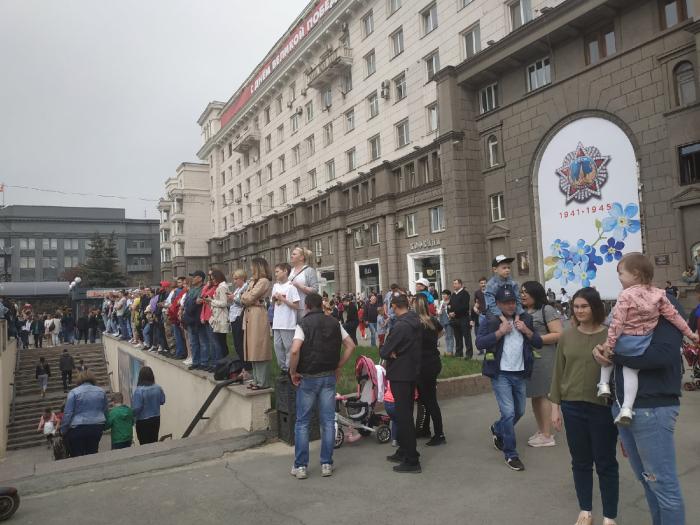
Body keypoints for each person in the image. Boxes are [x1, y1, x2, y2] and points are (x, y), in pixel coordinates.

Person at [593, 294, 687, 525]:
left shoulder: (663, 302)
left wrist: (616, 355)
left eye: (623, 273)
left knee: (663, 485)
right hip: (624, 406)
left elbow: (662, 355)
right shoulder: (625, 303)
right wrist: (602, 354)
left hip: (651, 406)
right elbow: (614, 341)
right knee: (648, 482)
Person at [597, 253, 698, 425]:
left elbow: (618, 323)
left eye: (621, 273)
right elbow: (674, 317)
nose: (619, 278)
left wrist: (610, 344)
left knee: (607, 358)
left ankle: (603, 384)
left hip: (625, 340)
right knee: (631, 372)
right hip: (642, 342)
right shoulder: (659, 295)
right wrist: (691, 334)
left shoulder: (625, 295)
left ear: (635, 274)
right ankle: (627, 408)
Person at [550, 287, 619, 525]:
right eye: (576, 306)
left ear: (595, 307)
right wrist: (555, 407)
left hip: (602, 407)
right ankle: (585, 510)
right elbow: (558, 372)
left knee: (605, 462)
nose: (579, 311)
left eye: (584, 306)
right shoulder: (567, 336)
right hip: (572, 408)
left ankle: (610, 515)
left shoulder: (610, 335)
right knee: (580, 461)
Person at [288, 292, 355, 479]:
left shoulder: (303, 324)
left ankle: (300, 466)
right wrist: (339, 365)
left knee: (302, 422)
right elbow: (350, 345)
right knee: (327, 421)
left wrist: (293, 372)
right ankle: (326, 463)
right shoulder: (335, 322)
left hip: (308, 377)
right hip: (328, 376)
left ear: (307, 306)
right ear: (322, 305)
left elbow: (294, 351)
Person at [476, 286, 542, 471]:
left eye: (513, 302)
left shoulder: (526, 319)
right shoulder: (490, 320)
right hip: (501, 374)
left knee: (519, 411)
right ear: (498, 304)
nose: (511, 305)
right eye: (506, 302)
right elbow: (479, 343)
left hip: (520, 373)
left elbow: (538, 343)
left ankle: (497, 429)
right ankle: (511, 454)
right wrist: (500, 332)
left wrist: (527, 331)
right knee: (509, 413)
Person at [380, 294, 423, 473]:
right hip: (412, 370)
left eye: (392, 307)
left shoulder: (400, 326)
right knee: (405, 413)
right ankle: (404, 449)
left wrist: (389, 352)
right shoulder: (416, 321)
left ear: (396, 306)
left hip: (400, 373)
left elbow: (384, 350)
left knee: (403, 416)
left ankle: (412, 460)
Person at [521, 281, 563, 448]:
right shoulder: (523, 311)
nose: (522, 294)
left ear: (535, 293)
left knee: (544, 395)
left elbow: (559, 334)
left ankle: (547, 435)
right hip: (529, 358)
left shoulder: (547, 310)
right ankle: (542, 430)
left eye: (526, 292)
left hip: (545, 357)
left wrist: (536, 339)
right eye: (521, 291)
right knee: (535, 396)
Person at [414, 294, 445, 446]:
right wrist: (432, 341)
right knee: (425, 399)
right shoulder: (432, 321)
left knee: (429, 400)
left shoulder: (416, 323)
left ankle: (439, 434)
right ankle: (424, 428)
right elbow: (441, 332)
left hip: (423, 365)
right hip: (433, 362)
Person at [241, 257, 273, 390]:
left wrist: (247, 298)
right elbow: (243, 297)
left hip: (258, 316)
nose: (250, 268)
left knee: (259, 347)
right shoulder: (253, 281)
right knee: (252, 348)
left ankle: (263, 381)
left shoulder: (264, 281)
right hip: (250, 314)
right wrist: (246, 297)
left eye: (252, 266)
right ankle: (256, 378)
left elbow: (249, 297)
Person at [61, 371, 108, 457]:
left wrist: (63, 429)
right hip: (97, 426)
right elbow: (105, 410)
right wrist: (105, 425)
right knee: (93, 451)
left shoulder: (73, 392)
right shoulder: (101, 391)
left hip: (78, 427)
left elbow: (68, 413)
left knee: (77, 454)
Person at [271, 262, 300, 372]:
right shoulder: (275, 286)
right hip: (277, 322)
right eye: (275, 272)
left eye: (277, 272)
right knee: (277, 346)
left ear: (285, 271)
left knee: (288, 347)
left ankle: (289, 369)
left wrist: (283, 300)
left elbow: (296, 306)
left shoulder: (291, 287)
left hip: (288, 323)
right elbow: (273, 304)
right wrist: (274, 299)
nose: (276, 274)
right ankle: (283, 368)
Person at [183, 270, 210, 371]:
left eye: (194, 276)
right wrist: (193, 303)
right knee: (193, 342)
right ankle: (196, 361)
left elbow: (198, 302)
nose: (192, 278)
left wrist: (193, 303)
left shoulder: (203, 289)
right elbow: (186, 304)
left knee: (203, 342)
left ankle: (204, 362)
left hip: (199, 319)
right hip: (190, 320)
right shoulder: (191, 290)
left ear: (200, 278)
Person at [132, 367, 165, 445]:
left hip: (143, 421)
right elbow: (162, 401)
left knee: (144, 443)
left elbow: (137, 408)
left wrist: (131, 414)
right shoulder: (158, 388)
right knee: (154, 441)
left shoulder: (139, 390)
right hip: (156, 419)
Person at [228, 269, 251, 376]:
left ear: (242, 278)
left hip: (239, 317)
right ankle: (243, 367)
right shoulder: (238, 289)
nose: (234, 281)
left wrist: (233, 298)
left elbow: (243, 302)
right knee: (237, 345)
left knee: (241, 344)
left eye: (236, 279)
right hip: (234, 317)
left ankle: (246, 369)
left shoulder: (246, 287)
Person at [206, 269, 232, 364]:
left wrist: (211, 301)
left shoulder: (222, 287)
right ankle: (223, 363)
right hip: (218, 316)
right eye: (212, 279)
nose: (213, 281)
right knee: (220, 342)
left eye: (214, 278)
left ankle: (222, 364)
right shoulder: (221, 286)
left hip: (220, 318)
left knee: (220, 343)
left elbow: (224, 303)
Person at [289, 246, 319, 322]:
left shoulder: (309, 271)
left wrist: (299, 286)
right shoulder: (290, 271)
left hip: (304, 309)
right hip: (291, 309)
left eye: (294, 254)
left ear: (301, 257)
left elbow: (315, 290)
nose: (291, 256)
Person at [448, 278, 472, 358]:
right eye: (453, 283)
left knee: (467, 336)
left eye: (455, 283)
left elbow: (465, 306)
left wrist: (455, 312)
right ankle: (459, 352)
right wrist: (450, 312)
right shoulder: (453, 294)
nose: (454, 285)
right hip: (455, 319)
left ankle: (469, 354)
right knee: (457, 337)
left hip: (463, 318)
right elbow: (449, 305)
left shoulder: (465, 293)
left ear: (460, 284)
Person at [438, 290, 454, 356]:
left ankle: (450, 351)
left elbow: (452, 310)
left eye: (445, 294)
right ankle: (448, 350)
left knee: (450, 336)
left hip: (449, 320)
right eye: (443, 294)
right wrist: (439, 311)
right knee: (446, 336)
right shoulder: (441, 302)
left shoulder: (451, 302)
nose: (443, 296)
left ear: (449, 295)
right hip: (442, 320)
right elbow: (439, 311)